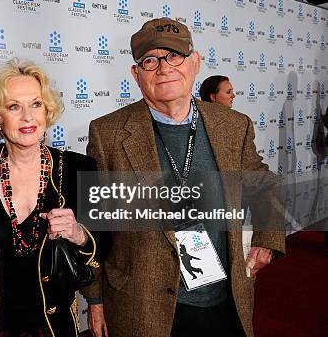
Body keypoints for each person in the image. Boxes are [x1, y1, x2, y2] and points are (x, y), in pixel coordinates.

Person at [84, 18, 285, 337]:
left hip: (225, 300)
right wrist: (95, 299)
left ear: (195, 62)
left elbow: (263, 183)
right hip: (143, 306)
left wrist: (267, 238)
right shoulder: (107, 133)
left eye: (174, 56)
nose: (164, 68)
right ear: (137, 75)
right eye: (150, 60)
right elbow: (95, 225)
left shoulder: (234, 126)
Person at [0, 58, 101, 336]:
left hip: (54, 325)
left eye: (36, 104)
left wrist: (78, 234)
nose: (28, 116)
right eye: (14, 106)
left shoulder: (78, 169)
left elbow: (104, 246)